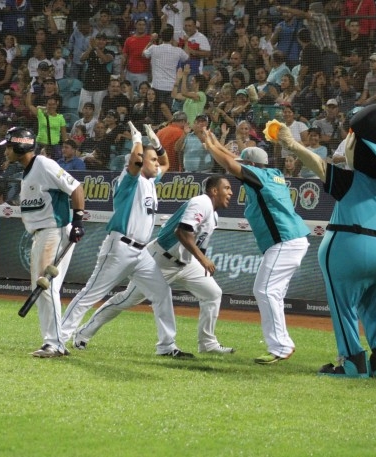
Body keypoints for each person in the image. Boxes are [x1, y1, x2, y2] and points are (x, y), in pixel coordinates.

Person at [275, 103, 376, 377]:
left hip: (354, 247)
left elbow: (318, 164)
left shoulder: (349, 181)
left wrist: (291, 144)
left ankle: (352, 360)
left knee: (344, 306)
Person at [59, 123, 191, 358]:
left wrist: (159, 147)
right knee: (91, 294)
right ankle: (59, 339)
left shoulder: (150, 182)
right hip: (119, 247)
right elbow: (137, 161)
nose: (156, 164)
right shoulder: (130, 180)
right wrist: (137, 141)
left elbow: (166, 164)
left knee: (161, 293)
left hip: (141, 254)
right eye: (151, 160)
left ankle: (166, 346)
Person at [73, 175, 236, 354]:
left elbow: (199, 245)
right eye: (226, 188)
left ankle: (207, 343)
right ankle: (83, 333)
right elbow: (181, 232)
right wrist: (203, 260)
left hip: (185, 263)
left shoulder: (214, 215)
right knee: (126, 300)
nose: (230, 192)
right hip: (160, 259)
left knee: (212, 293)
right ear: (214, 191)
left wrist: (201, 260)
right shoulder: (201, 202)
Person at [202, 131, 310, 364]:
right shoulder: (271, 174)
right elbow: (233, 161)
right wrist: (214, 143)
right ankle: (283, 343)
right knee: (273, 293)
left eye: (244, 164)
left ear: (251, 165)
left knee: (264, 290)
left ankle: (281, 346)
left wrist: (211, 148)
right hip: (291, 240)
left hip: (285, 241)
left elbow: (232, 165)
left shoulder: (260, 176)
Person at [0, 127, 85, 357]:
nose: (6, 151)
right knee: (41, 286)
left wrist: (77, 221)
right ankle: (53, 341)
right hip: (41, 234)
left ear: (20, 145)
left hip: (53, 231)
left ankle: (55, 343)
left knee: (46, 286)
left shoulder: (44, 165)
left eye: (8, 146)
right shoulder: (28, 171)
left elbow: (76, 187)